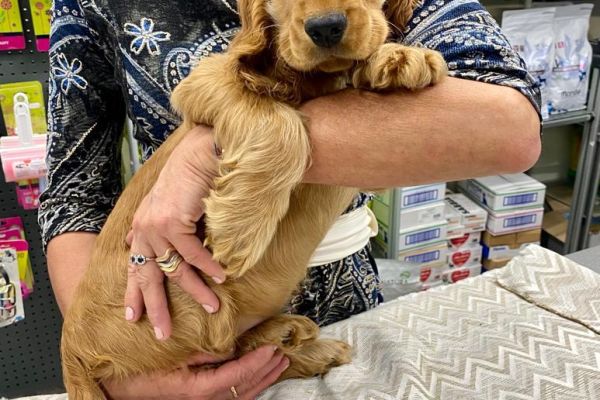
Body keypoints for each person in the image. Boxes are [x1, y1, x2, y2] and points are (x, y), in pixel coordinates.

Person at [40, 0, 541, 398]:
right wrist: (118, 371)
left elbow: (513, 130)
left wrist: (209, 148)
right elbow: (73, 190)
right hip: (158, 306)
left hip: (343, 300)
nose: (321, 13)